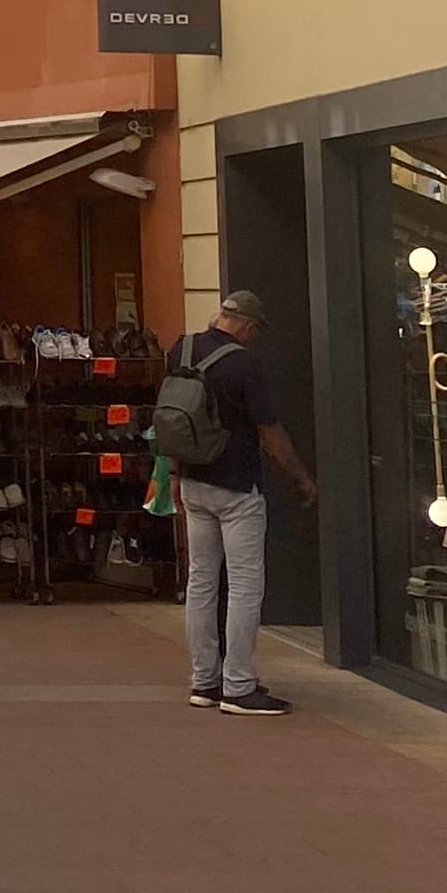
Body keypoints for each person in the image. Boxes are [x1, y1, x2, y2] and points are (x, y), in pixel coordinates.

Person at [160, 288, 316, 716]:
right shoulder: (245, 363)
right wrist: (301, 476)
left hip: (192, 481)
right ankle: (239, 686)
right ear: (246, 325)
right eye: (254, 331)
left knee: (202, 581)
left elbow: (171, 416)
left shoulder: (181, 349)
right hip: (235, 485)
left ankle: (204, 681)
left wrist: (174, 474)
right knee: (246, 586)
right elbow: (270, 431)